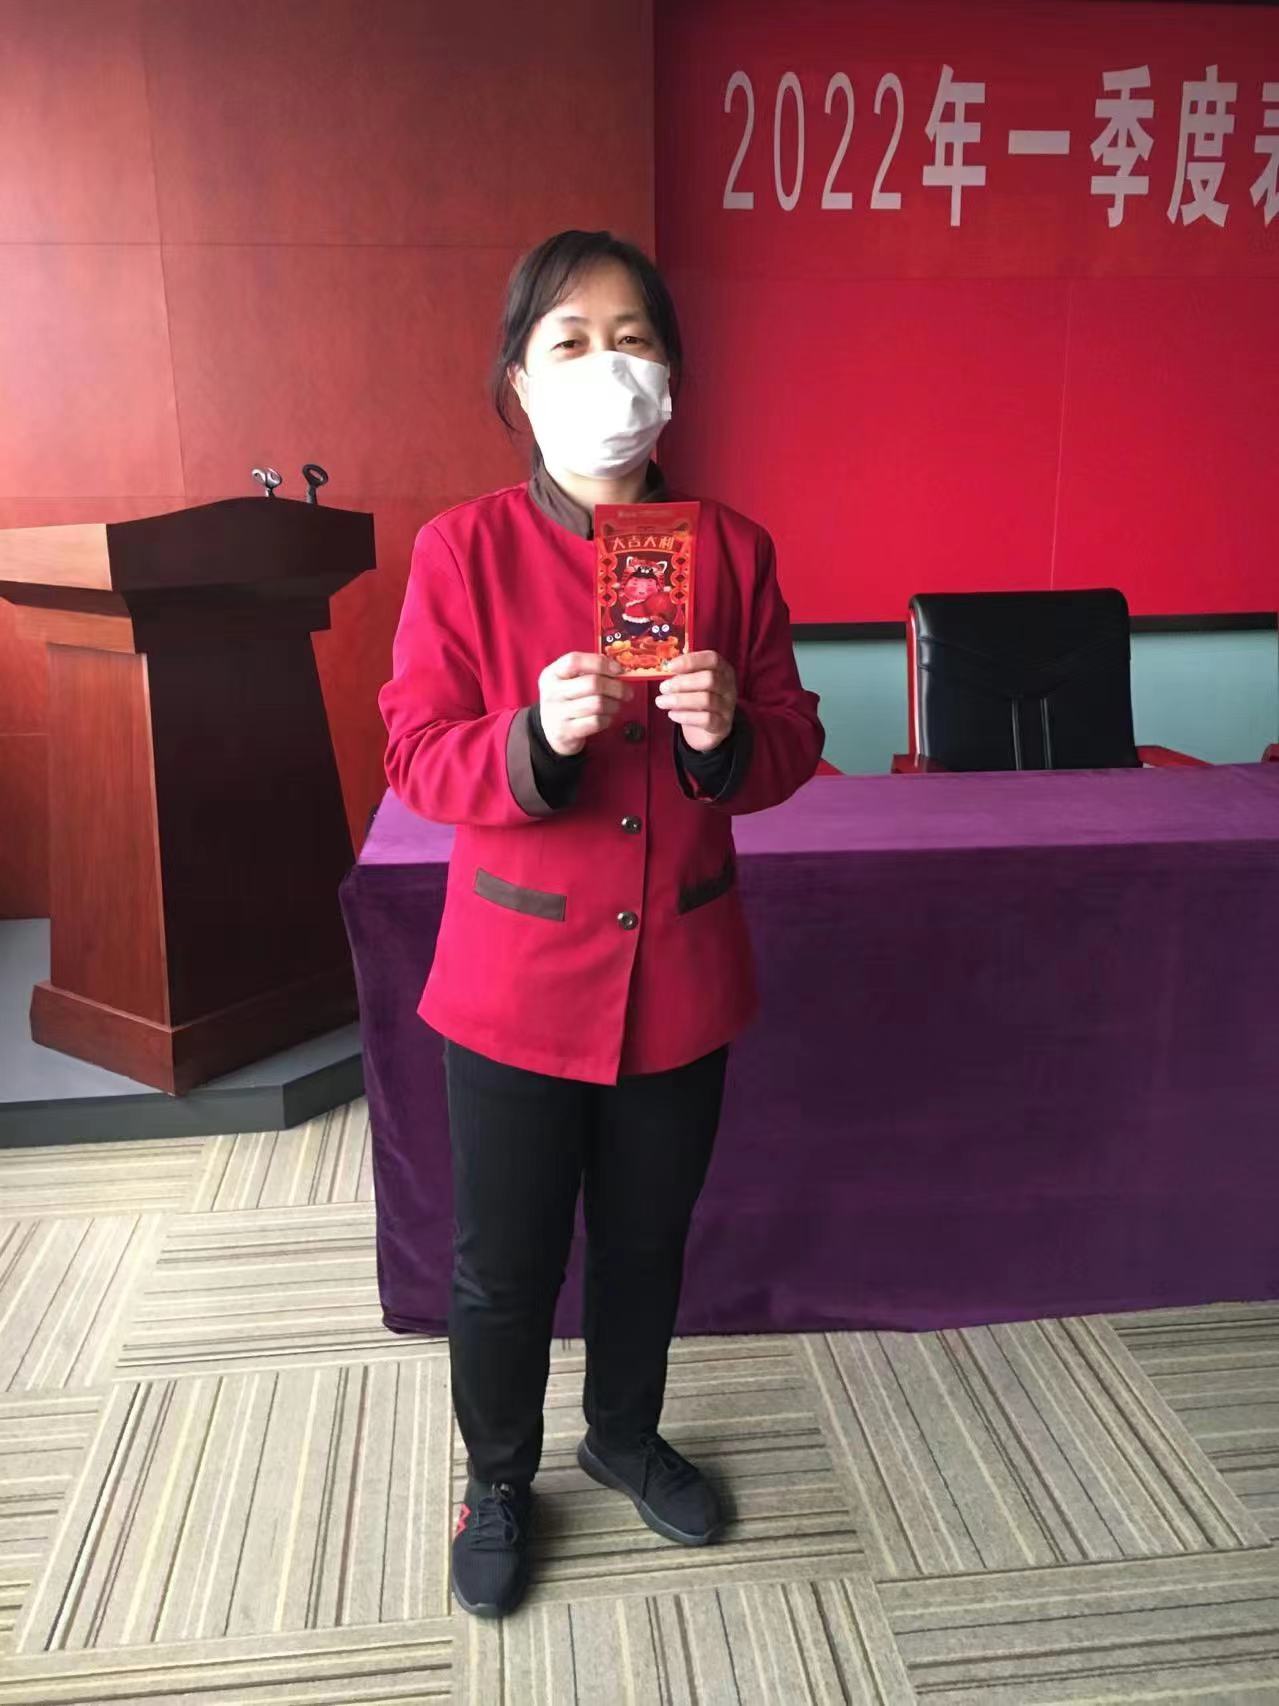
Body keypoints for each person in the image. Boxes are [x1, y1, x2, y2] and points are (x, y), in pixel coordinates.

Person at [378, 229, 824, 1619]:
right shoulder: (461, 549)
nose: (606, 367)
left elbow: (796, 742)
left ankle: (623, 1434)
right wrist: (531, 736)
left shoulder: (729, 551)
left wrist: (727, 733)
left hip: (681, 971)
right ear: (520, 380)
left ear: (671, 375)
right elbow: (414, 755)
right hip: (512, 979)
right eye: (568, 342)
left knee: (645, 1241)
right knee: (503, 1263)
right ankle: (497, 1476)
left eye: (632, 339)